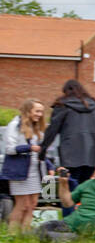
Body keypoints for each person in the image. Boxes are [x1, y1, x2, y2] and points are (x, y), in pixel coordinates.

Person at [42, 79, 95, 191]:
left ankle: (72, 207)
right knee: (87, 187)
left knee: (70, 189)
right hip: (93, 154)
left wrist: (42, 150)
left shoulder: (62, 105)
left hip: (70, 154)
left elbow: (52, 130)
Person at [2, 99, 48, 235]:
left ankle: (25, 233)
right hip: (19, 171)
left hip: (34, 170)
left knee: (33, 204)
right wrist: (29, 148)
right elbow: (9, 149)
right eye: (37, 111)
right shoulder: (14, 125)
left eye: (41, 112)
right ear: (28, 111)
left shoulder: (36, 127)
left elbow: (40, 150)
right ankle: (12, 235)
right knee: (22, 205)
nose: (40, 115)